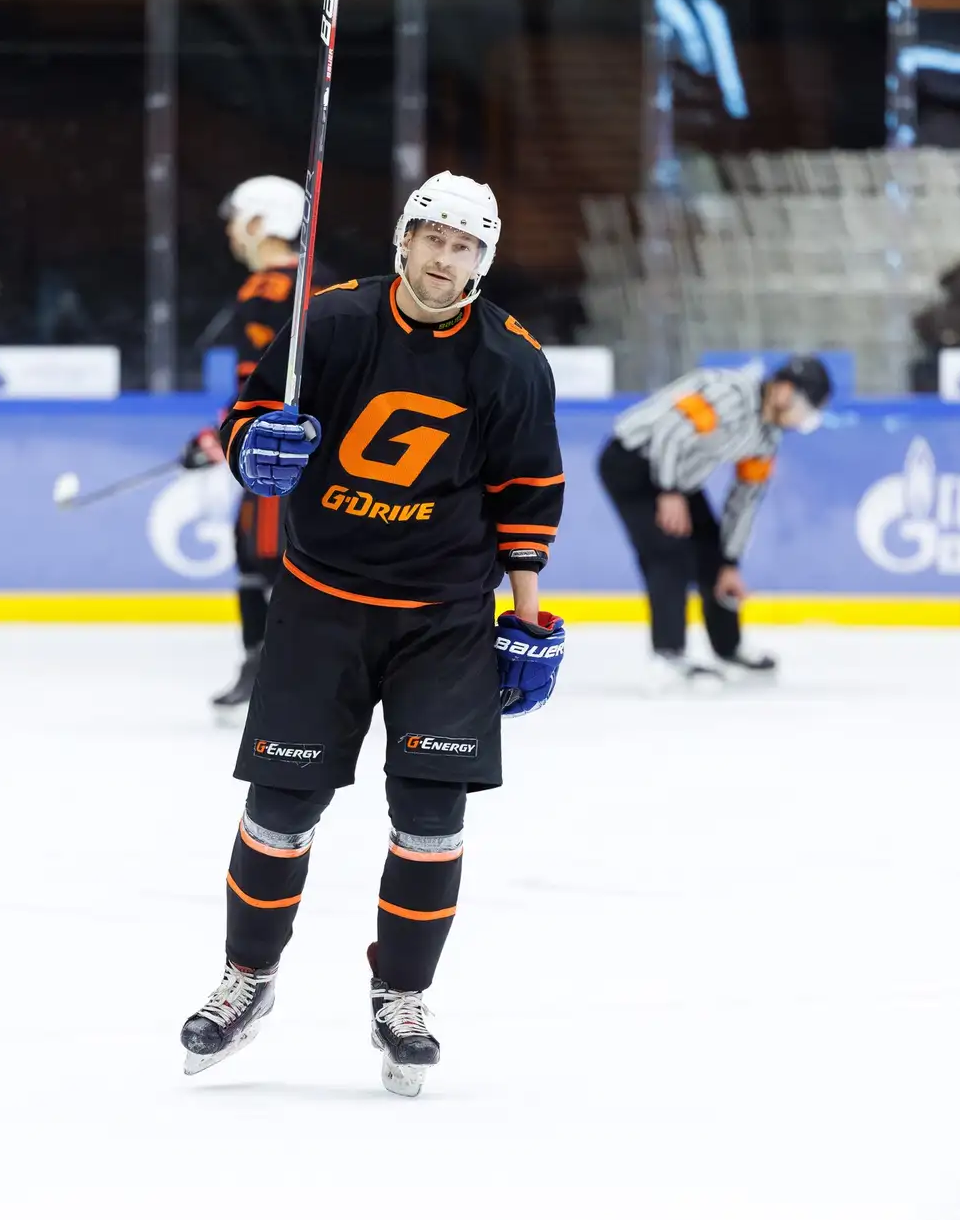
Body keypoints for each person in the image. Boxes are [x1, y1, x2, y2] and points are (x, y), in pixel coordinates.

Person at [178, 172, 568, 1097]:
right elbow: (250, 419)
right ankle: (247, 980)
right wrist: (257, 452)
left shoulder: (512, 360)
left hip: (446, 616)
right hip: (322, 601)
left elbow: (527, 493)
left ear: (482, 261)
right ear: (405, 239)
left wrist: (526, 617)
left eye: (464, 246)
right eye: (433, 237)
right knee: (280, 808)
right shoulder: (331, 321)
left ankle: (401, 998)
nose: (444, 258)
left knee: (432, 819)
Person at [181, 176, 326, 717]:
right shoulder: (326, 282)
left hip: (278, 454)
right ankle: (282, 669)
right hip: (317, 448)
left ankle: (273, 671)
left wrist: (217, 436)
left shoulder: (267, 290)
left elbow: (262, 387)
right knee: (276, 559)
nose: (230, 232)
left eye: (238, 219)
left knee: (264, 557)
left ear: (263, 222)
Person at [596, 354, 832, 686]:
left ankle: (728, 647)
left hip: (678, 478)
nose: (804, 420)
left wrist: (731, 561)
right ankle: (668, 654)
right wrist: (668, 490)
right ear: (784, 392)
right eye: (807, 409)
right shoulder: (729, 396)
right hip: (633, 462)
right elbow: (670, 433)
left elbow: (744, 501)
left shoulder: (767, 438)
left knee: (713, 552)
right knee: (667, 551)